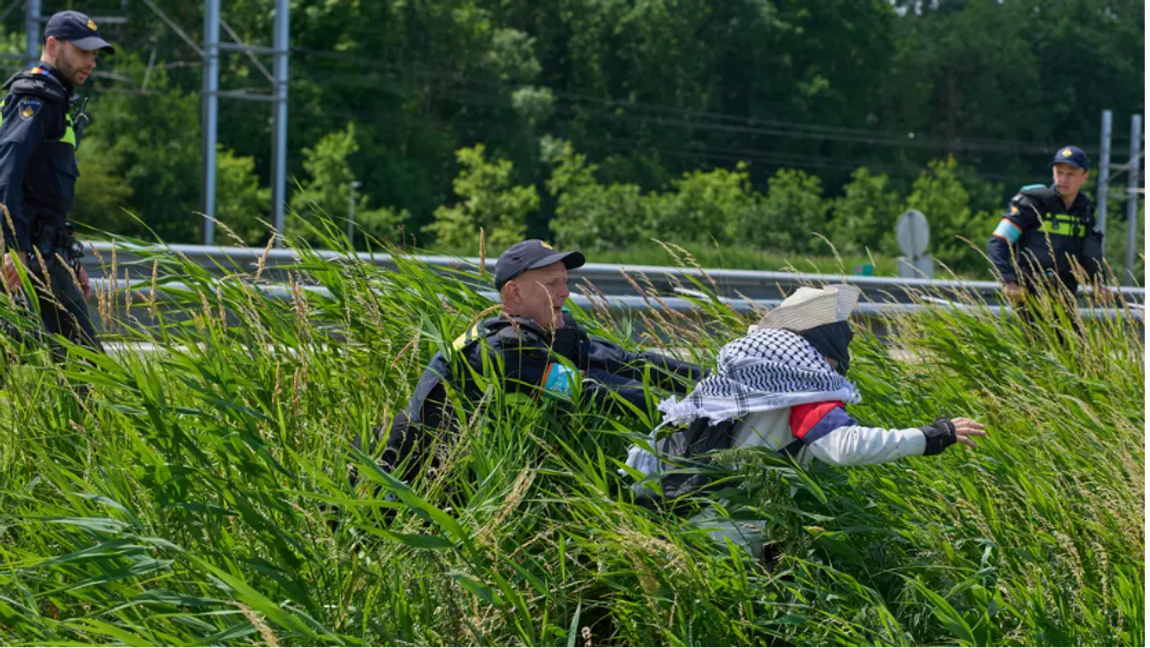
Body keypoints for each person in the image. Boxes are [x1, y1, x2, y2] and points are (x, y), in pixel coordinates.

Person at [626, 285, 987, 560]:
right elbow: (843, 448)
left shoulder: (750, 375)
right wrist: (932, 436)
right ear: (827, 350)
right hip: (726, 538)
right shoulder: (803, 389)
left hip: (685, 514)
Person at [364, 240, 704, 484]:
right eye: (552, 284)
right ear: (514, 294)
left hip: (470, 478)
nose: (565, 293)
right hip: (405, 483)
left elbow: (629, 363)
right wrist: (690, 410)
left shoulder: (551, 331)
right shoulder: (502, 350)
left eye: (565, 282)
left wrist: (712, 379)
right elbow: (589, 391)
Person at [0, 11, 114, 358]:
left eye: (95, 54)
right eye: (83, 51)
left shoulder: (56, 100)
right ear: (53, 45)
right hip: (28, 256)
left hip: (45, 253)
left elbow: (44, 190)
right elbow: (7, 171)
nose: (91, 61)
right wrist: (13, 248)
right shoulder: (35, 98)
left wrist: (69, 259)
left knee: (20, 354)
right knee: (89, 369)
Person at [988, 146, 1108, 311]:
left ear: (1084, 177)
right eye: (1059, 172)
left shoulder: (1085, 211)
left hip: (1066, 302)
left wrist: (1099, 284)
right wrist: (1009, 280)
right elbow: (997, 242)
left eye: (1070, 174)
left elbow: (1092, 253)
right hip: (1028, 300)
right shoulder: (1032, 203)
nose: (1063, 179)